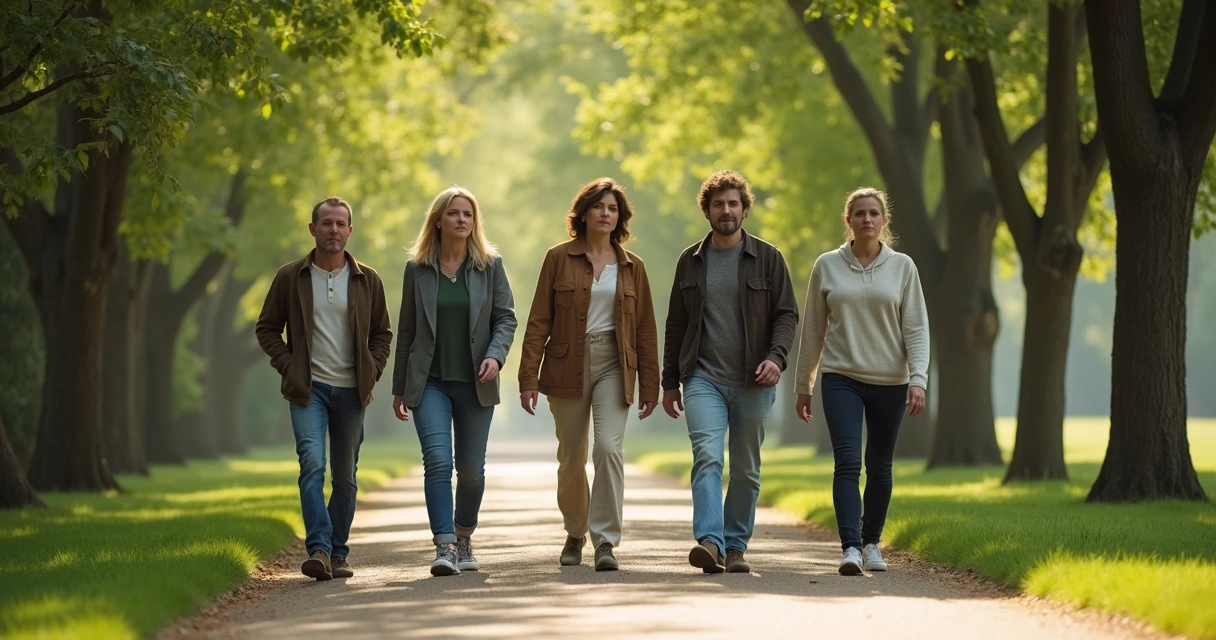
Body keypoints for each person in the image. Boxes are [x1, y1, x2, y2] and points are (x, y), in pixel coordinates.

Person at [518, 177, 660, 572]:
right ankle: (575, 531)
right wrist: (528, 377)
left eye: (613, 208)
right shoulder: (557, 258)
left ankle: (605, 541)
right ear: (583, 213)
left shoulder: (634, 267)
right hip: (566, 363)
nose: (605, 213)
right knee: (571, 458)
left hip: (615, 362)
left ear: (620, 218)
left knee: (609, 449)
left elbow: (646, 329)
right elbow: (538, 321)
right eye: (598, 206)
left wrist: (652, 383)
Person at [662, 170, 799, 574]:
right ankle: (709, 541)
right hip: (703, 377)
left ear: (744, 209)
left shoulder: (769, 258)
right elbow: (675, 324)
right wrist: (670, 381)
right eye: (718, 204)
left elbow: (787, 315)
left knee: (745, 468)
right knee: (707, 456)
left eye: (733, 203)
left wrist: (776, 357)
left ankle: (736, 546)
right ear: (707, 210)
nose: (726, 210)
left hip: (754, 379)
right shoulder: (690, 261)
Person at [256, 196, 393, 581]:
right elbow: (267, 328)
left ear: (350, 231)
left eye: (340, 224)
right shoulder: (290, 276)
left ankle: (339, 552)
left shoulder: (368, 279)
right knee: (312, 464)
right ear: (312, 229)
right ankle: (318, 548)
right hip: (308, 390)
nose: (334, 230)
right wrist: (289, 366)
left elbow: (382, 334)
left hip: (352, 391)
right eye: (326, 223)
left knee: (346, 476)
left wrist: (373, 369)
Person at [794, 187, 929, 576]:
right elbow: (813, 332)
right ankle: (850, 547)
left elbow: (917, 328)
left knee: (880, 465)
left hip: (892, 379)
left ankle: (873, 544)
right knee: (848, 463)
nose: (867, 219)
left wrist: (917, 379)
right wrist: (803, 384)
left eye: (874, 213)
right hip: (841, 377)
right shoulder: (827, 265)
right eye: (859, 214)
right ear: (848, 220)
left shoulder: (903, 267)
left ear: (884, 221)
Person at [392, 186, 517, 577]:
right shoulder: (417, 270)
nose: (462, 220)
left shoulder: (489, 266)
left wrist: (495, 355)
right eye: (454, 213)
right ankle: (444, 544)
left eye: (468, 214)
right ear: (438, 220)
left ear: (474, 222)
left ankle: (464, 537)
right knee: (438, 463)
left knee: (472, 470)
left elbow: (506, 318)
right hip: (429, 382)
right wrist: (400, 388)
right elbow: (407, 332)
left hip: (474, 384)